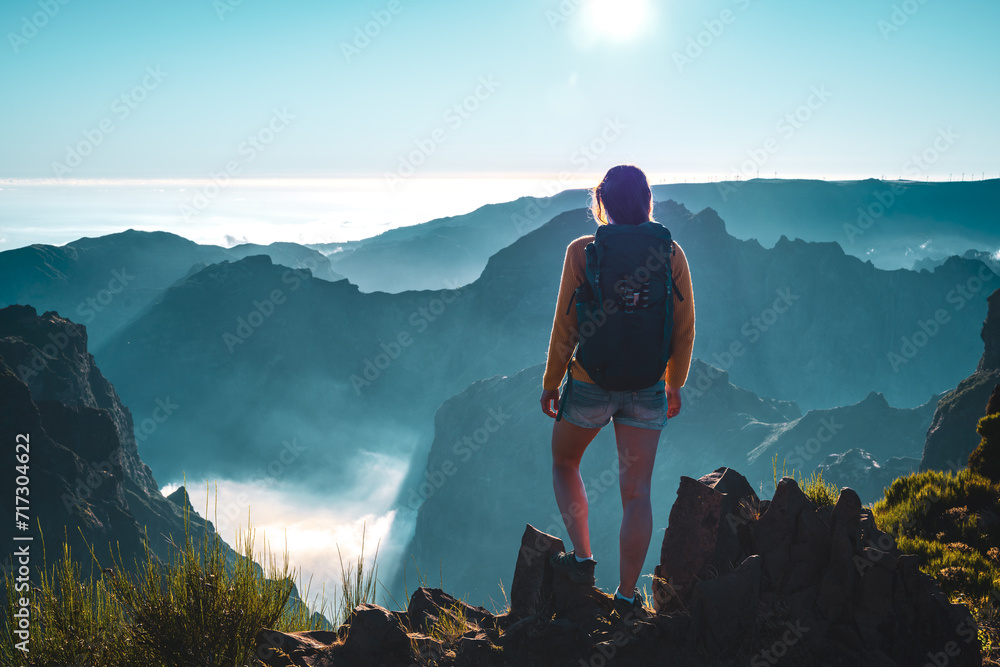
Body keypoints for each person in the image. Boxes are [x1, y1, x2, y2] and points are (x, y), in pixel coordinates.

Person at [539, 164, 695, 618]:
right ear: (648, 201)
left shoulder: (582, 251)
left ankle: (583, 561)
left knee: (565, 461)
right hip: (647, 388)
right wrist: (674, 383)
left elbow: (565, 325)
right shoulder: (671, 253)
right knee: (637, 493)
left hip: (590, 384)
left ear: (602, 203)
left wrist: (552, 382)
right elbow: (684, 330)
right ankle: (627, 598)